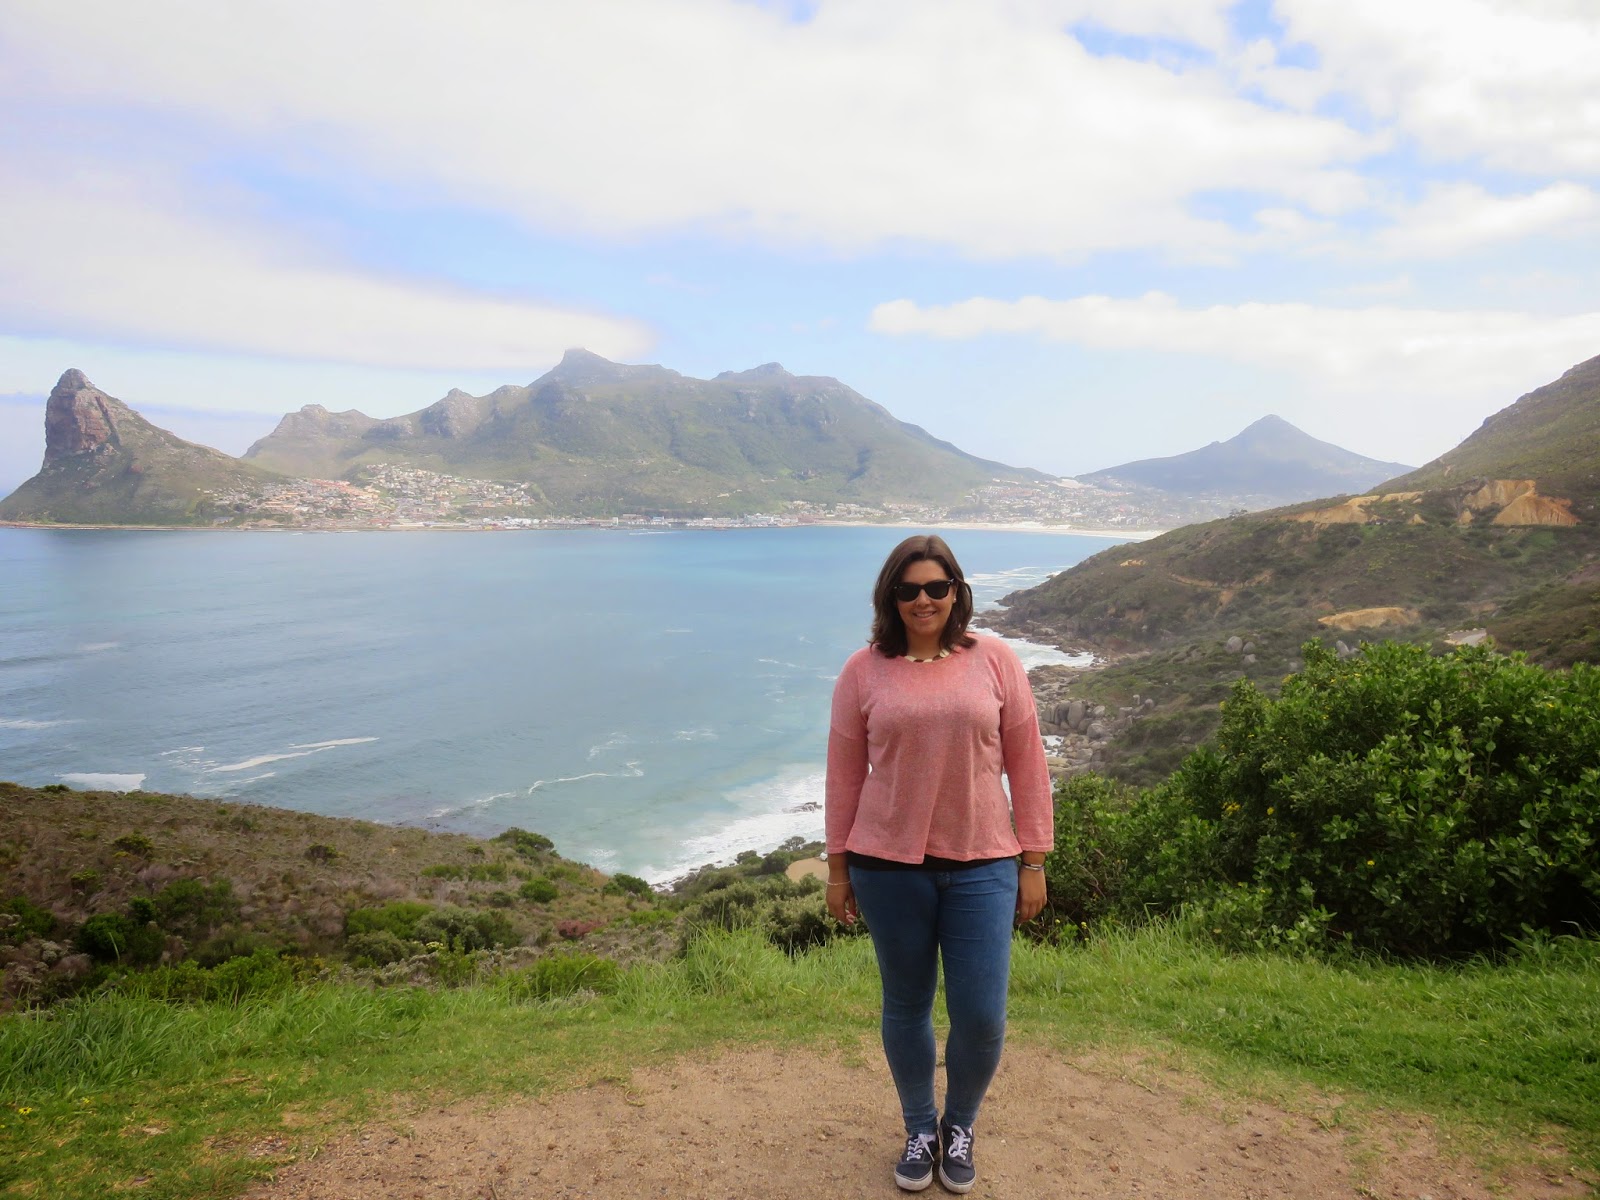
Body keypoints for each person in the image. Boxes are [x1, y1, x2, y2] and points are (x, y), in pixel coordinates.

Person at [824, 534, 1053, 1194]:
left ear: (956, 592)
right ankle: (920, 1127)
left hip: (984, 861)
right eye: (908, 589)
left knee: (981, 1015)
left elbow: (1027, 761)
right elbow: (843, 777)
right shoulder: (863, 670)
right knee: (907, 1004)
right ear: (889, 597)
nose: (922, 600)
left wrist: (1034, 859)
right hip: (887, 864)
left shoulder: (995, 659)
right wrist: (837, 870)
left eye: (935, 587)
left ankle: (961, 1125)